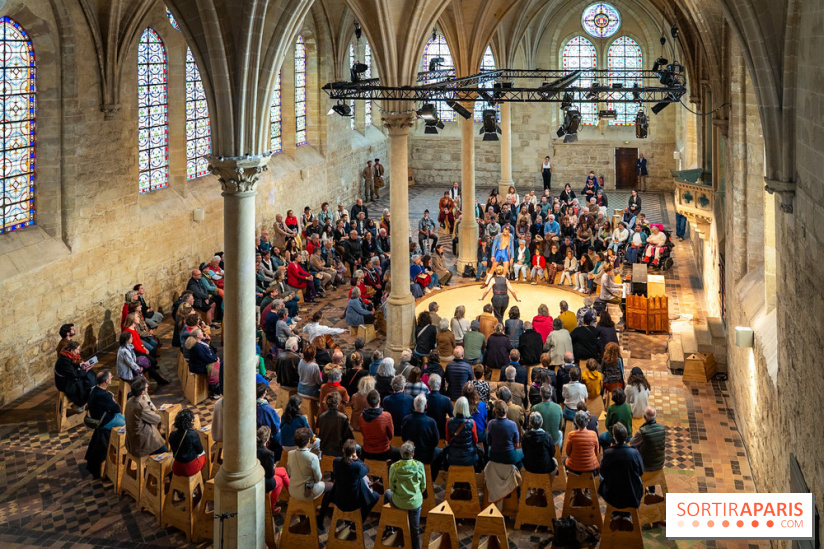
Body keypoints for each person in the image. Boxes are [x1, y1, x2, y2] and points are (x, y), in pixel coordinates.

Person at [287, 428, 333, 526]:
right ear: (308, 441)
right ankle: (320, 518)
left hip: (293, 490)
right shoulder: (312, 457)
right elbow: (318, 478)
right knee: (331, 486)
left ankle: (303, 517)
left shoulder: (290, 454)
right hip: (307, 491)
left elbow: (289, 472)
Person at [386, 442, 425, 549]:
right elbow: (423, 486)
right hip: (414, 503)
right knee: (415, 529)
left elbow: (391, 487)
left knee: (387, 493)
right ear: (412, 454)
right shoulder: (419, 466)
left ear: (401, 454)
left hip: (399, 501)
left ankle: (390, 526)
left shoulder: (394, 467)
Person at [330, 439, 380, 521]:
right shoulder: (356, 465)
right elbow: (366, 469)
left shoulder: (336, 461)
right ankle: (360, 519)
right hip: (353, 502)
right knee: (376, 496)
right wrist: (356, 458)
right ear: (354, 451)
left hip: (338, 498)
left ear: (343, 450)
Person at [598, 423, 644, 511]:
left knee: (601, 479)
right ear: (626, 436)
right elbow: (641, 472)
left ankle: (614, 513)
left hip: (612, 495)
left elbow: (603, 473)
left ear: (614, 436)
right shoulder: (634, 452)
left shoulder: (608, 453)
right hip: (632, 495)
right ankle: (627, 514)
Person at [124, 378, 167, 456]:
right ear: (142, 392)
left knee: (159, 434)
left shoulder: (130, 400)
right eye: (146, 388)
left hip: (132, 437)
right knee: (165, 452)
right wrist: (152, 408)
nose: (147, 389)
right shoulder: (141, 405)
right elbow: (156, 419)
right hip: (141, 440)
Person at [54, 341, 96, 409]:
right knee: (82, 383)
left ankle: (92, 391)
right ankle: (81, 403)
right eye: (78, 349)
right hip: (64, 383)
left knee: (90, 374)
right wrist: (84, 370)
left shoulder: (67, 356)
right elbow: (74, 374)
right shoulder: (64, 360)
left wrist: (81, 365)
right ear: (72, 350)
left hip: (68, 378)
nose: (78, 351)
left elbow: (72, 365)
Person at [257, 426, 289, 514]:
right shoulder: (268, 453)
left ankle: (291, 495)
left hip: (258, 475)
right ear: (267, 439)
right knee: (280, 481)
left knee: (282, 470)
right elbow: (270, 474)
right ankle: (271, 508)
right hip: (264, 479)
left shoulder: (253, 449)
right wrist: (273, 467)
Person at [443, 396, 480, 471]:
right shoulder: (471, 423)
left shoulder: (449, 422)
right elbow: (475, 440)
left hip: (452, 457)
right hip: (469, 457)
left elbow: (447, 439)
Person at [360, 390, 400, 460]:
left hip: (367, 450)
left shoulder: (361, 416)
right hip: (384, 451)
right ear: (379, 400)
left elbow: (363, 432)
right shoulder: (386, 416)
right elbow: (391, 435)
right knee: (401, 453)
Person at [401, 394, 441, 465]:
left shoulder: (406, 419)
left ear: (413, 404)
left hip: (410, 454)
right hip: (427, 456)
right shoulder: (431, 422)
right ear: (426, 406)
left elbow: (404, 437)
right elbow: (435, 441)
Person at [168, 408, 207, 477]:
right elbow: (200, 451)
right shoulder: (192, 434)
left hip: (176, 468)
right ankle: (202, 478)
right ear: (190, 422)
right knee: (203, 456)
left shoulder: (172, 434)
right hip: (190, 468)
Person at [629, 406, 666, 475]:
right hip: (660, 463)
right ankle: (651, 484)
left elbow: (632, 443)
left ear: (645, 417)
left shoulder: (642, 432)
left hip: (647, 465)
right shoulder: (662, 428)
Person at [185, 329, 221, 397]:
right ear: (198, 335)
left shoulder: (200, 341)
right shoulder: (196, 346)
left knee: (219, 363)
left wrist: (207, 340)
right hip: (199, 366)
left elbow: (209, 350)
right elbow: (205, 357)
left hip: (204, 362)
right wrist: (215, 359)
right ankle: (216, 390)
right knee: (217, 367)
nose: (203, 333)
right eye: (201, 332)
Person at [317, 392, 354, 457]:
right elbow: (349, 437)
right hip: (339, 451)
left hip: (324, 450)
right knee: (357, 448)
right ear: (338, 403)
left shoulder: (321, 417)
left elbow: (320, 434)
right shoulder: (343, 417)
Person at [487, 400, 522, 465]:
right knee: (522, 453)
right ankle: (517, 470)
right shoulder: (513, 424)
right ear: (506, 410)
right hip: (509, 455)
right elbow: (517, 445)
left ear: (495, 411)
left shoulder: (490, 423)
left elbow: (489, 442)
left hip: (494, 456)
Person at [564, 410, 599, 475]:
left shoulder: (571, 435)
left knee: (565, 460)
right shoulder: (593, 434)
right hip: (591, 467)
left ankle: (570, 480)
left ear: (576, 423)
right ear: (587, 421)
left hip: (574, 467)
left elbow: (567, 453)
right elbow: (596, 453)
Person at [256, 383, 282, 459]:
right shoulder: (266, 408)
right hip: (268, 435)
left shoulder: (251, 405)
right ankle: (276, 459)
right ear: (263, 393)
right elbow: (276, 425)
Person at [425, 375, 453, 439]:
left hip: (427, 432)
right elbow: (453, 415)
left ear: (429, 385)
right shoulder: (445, 400)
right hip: (441, 432)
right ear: (440, 385)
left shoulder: (424, 398)